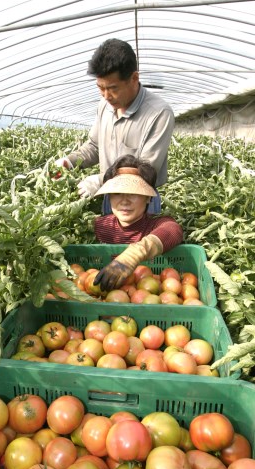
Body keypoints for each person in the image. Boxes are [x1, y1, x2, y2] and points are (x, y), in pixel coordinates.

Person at [55, 38, 175, 214]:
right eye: (100, 88)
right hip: (109, 195)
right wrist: (69, 162)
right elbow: (94, 146)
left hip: (141, 202)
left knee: (142, 241)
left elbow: (147, 170)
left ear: (134, 78)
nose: (106, 96)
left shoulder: (159, 113)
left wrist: (99, 180)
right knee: (110, 239)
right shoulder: (104, 106)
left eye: (112, 88)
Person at [92, 154, 183, 291]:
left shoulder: (155, 224)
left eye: (133, 193)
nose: (124, 201)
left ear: (148, 198)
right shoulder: (100, 226)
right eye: (117, 193)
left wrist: (133, 255)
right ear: (109, 197)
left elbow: (173, 229)